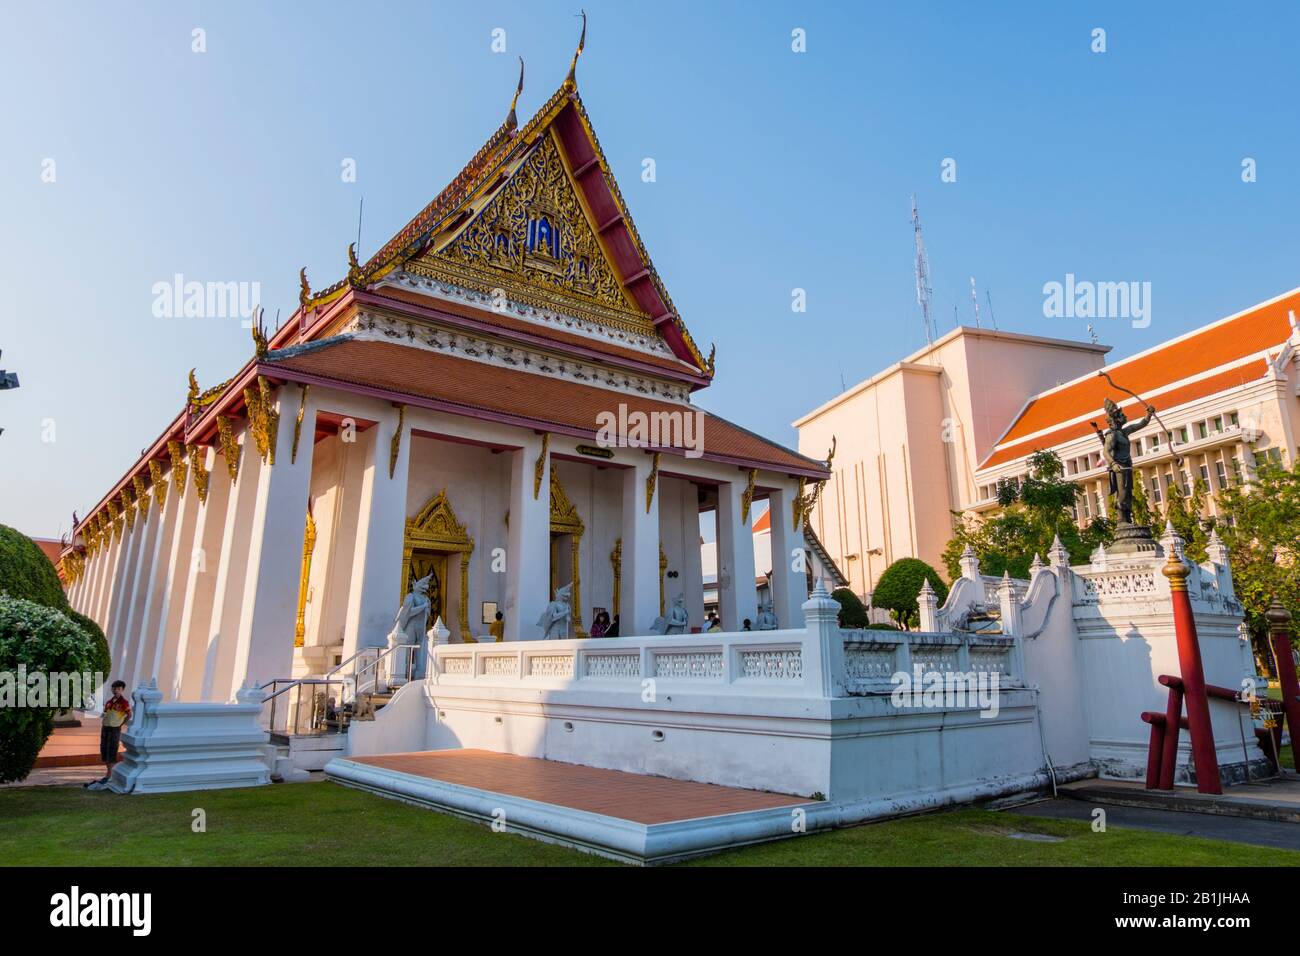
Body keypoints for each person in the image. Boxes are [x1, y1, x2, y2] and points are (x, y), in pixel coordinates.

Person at [87, 680, 130, 790]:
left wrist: (121, 724)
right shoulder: (109, 702)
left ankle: (109, 775)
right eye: (114, 688)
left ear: (122, 690)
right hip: (105, 728)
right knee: (104, 749)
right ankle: (108, 773)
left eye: (118, 689)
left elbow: (129, 715)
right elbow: (106, 713)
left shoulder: (124, 702)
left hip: (114, 729)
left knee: (111, 750)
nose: (116, 691)